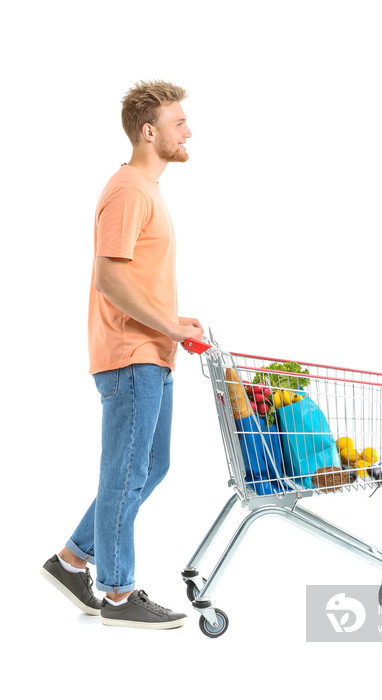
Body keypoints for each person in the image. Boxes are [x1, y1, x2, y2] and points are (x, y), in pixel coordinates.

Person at [41, 80, 204, 630]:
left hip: (152, 353)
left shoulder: (147, 190)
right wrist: (169, 327)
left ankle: (71, 561)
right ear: (150, 132)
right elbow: (108, 277)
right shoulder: (130, 189)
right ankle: (117, 593)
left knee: (148, 468)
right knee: (126, 474)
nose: (190, 132)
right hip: (133, 354)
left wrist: (172, 329)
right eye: (179, 124)